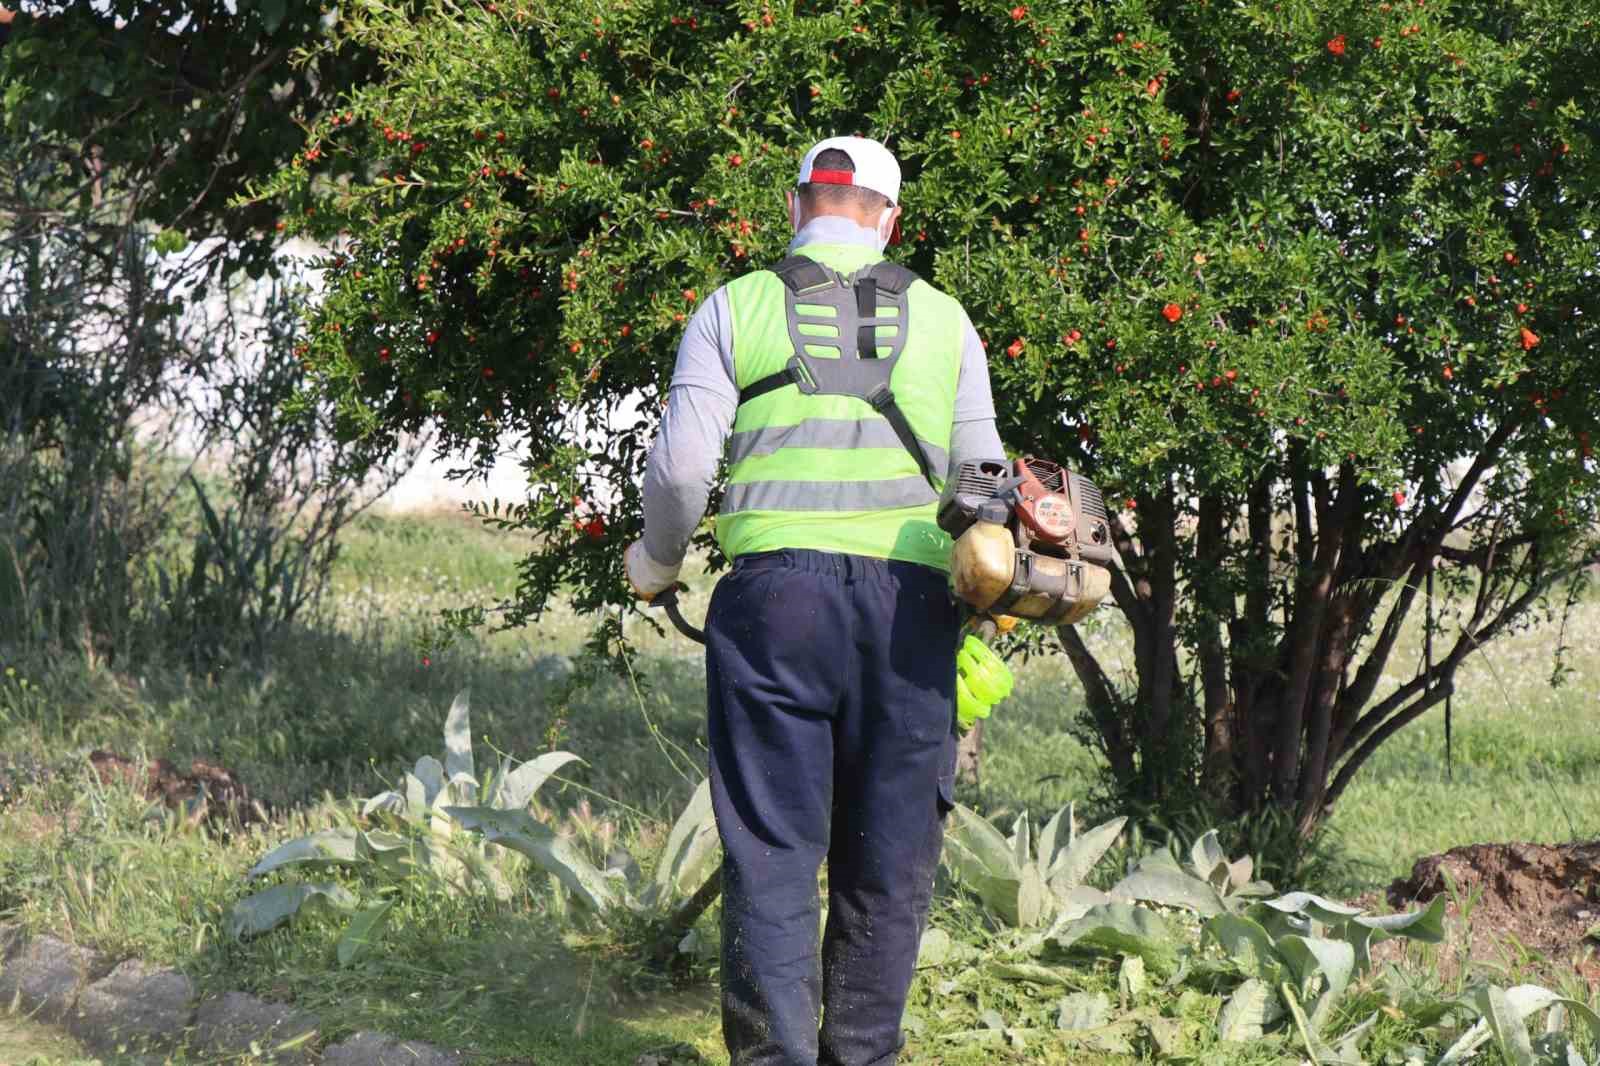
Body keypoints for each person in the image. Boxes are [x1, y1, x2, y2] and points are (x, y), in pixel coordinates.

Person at [625, 135, 1005, 1066]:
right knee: (889, 861)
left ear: (798, 207)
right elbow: (984, 482)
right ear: (889, 219)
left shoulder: (735, 306)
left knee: (774, 852)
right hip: (912, 615)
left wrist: (655, 559)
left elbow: (680, 471)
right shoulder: (948, 321)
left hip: (773, 607)